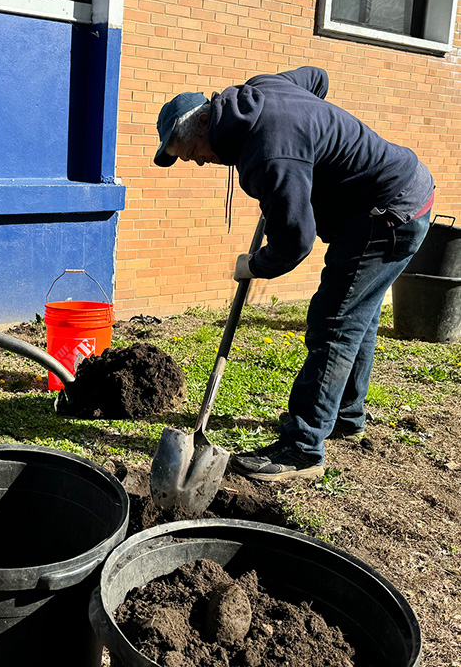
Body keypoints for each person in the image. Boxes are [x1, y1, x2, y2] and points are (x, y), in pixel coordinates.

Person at [153, 67, 434, 482]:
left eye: (191, 152)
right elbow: (317, 79)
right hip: (403, 193)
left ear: (207, 124)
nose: (195, 162)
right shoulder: (261, 89)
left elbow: (295, 243)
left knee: (334, 323)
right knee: (359, 313)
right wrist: (308, 149)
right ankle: (345, 415)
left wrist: (255, 264)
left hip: (386, 213)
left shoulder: (265, 156)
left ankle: (302, 449)